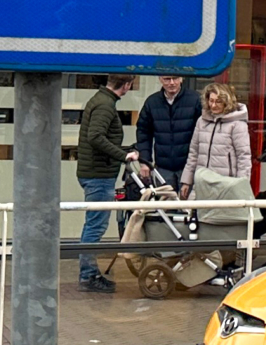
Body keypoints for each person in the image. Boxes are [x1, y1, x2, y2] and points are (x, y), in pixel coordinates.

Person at [75, 75, 137, 293]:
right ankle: (88, 276)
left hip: (96, 172)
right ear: (127, 85)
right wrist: (123, 155)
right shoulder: (105, 105)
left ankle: (89, 273)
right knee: (96, 226)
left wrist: (124, 150)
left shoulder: (101, 100)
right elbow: (96, 137)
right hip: (98, 175)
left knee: (93, 224)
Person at [183, 84, 251, 194]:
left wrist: (242, 186)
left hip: (226, 185)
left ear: (227, 102)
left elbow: (243, 157)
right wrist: (186, 181)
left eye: (218, 101)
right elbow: (194, 153)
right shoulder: (201, 121)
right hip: (201, 183)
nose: (213, 105)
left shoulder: (237, 124)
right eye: (211, 101)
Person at [133, 75, 200, 182]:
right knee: (164, 193)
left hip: (189, 166)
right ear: (160, 79)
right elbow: (143, 133)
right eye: (167, 79)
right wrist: (145, 161)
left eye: (175, 78)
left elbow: (203, 133)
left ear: (181, 78)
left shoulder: (195, 99)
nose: (172, 83)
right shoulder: (152, 102)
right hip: (163, 167)